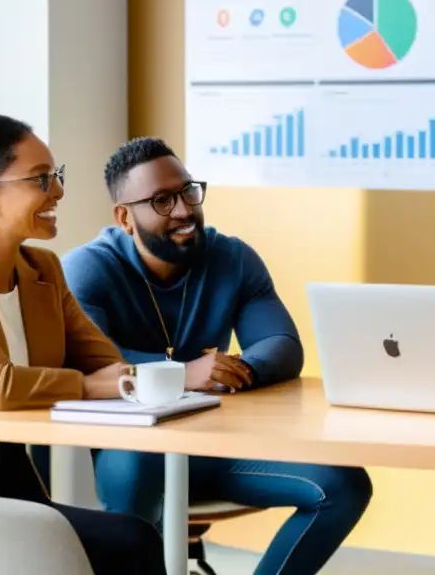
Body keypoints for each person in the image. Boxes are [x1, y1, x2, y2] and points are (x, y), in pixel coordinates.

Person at [61, 137, 372, 575]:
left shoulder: (233, 258)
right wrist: (184, 374)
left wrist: (234, 369)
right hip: (132, 449)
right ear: (124, 217)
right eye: (162, 200)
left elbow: (282, 345)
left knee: (343, 485)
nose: (185, 209)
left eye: (188, 191)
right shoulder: (89, 268)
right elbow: (90, 364)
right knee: (138, 470)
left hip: (215, 447)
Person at [0, 114, 166, 575]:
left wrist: (110, 379)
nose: (58, 191)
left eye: (57, 175)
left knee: (126, 541)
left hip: (9, 479)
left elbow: (108, 364)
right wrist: (89, 387)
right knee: (131, 542)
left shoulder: (43, 271)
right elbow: (0, 388)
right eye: (40, 179)